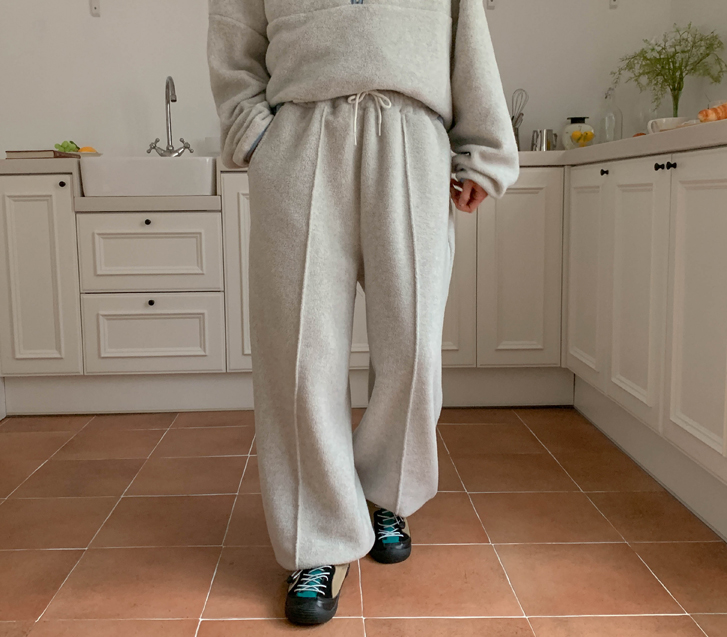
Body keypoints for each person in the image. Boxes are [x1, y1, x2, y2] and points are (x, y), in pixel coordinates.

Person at [207, 0, 518, 625]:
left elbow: (467, 28)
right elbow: (234, 32)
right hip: (299, 137)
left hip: (413, 136)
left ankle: (387, 493)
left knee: (413, 346)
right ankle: (316, 540)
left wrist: (483, 148)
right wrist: (256, 132)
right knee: (298, 356)